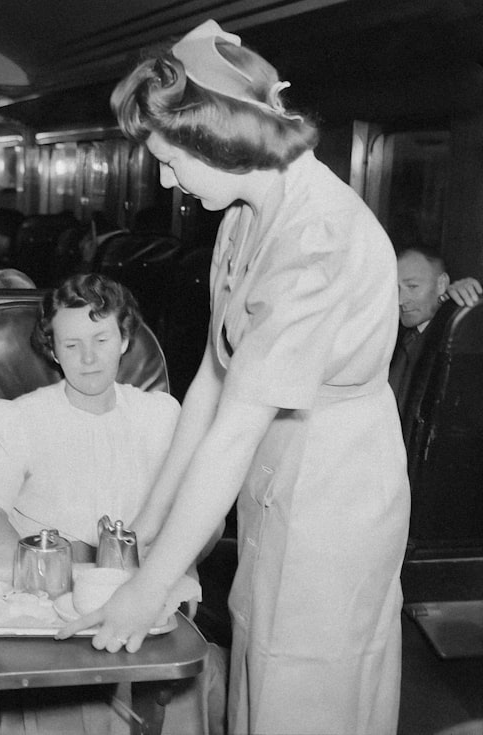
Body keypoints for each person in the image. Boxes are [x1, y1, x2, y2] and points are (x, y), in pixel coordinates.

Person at [58, 20, 409, 735]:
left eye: (168, 160)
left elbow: (235, 429)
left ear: (215, 140)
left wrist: (148, 590)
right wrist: (144, 529)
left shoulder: (316, 238)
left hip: (335, 480)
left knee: (309, 678)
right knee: (261, 661)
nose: (165, 180)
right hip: (278, 468)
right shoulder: (246, 215)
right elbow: (210, 386)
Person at [0, 274, 225, 735]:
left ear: (125, 339)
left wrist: (162, 570)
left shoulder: (163, 415)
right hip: (55, 611)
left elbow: (207, 517)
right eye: (71, 345)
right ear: (52, 349)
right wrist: (40, 583)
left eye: (101, 339)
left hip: (151, 601)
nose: (88, 358)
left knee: (195, 686)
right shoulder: (19, 417)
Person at [390, 245, 481, 411]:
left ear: (441, 284)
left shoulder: (455, 339)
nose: (400, 300)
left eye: (412, 286)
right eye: (396, 289)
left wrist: (471, 301)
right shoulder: (396, 334)